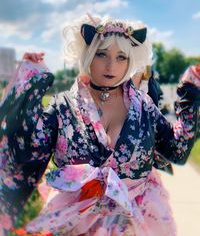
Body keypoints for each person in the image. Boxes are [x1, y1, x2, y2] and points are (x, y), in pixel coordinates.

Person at [0, 14, 199, 236]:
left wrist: (192, 90)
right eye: (101, 54)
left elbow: (177, 150)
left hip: (138, 223)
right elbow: (25, 152)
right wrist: (29, 78)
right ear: (87, 54)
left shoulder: (144, 106)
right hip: (74, 225)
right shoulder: (62, 107)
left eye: (121, 57)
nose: (111, 65)